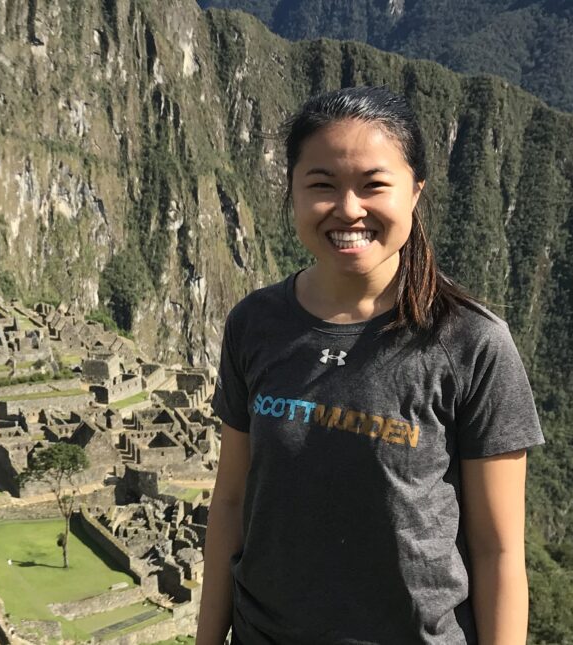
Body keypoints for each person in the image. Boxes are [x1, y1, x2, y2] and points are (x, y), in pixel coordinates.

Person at [196, 86, 545, 645]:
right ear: (291, 191)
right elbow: (233, 501)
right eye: (322, 185)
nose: (349, 209)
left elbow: (498, 551)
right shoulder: (256, 325)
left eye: (373, 185)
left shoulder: (471, 343)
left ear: (416, 191)